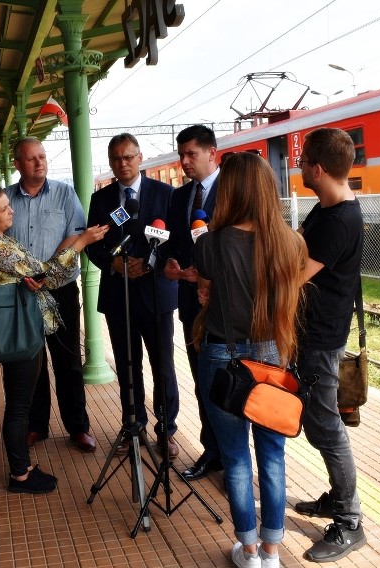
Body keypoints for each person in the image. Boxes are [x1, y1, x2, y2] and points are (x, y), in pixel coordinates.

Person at [192, 152, 307, 568]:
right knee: (272, 453)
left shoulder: (212, 243)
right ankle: (274, 551)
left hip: (223, 356)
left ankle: (250, 550)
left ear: (230, 191)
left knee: (236, 456)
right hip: (272, 357)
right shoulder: (291, 241)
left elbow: (204, 280)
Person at [0, 184, 107, 494]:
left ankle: (22, 467)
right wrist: (81, 242)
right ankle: (20, 475)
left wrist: (29, 279)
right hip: (19, 333)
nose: (11, 211)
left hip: (19, 328)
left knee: (18, 403)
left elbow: (31, 275)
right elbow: (47, 272)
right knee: (18, 407)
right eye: (3, 209)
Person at [292, 127, 366, 562]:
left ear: (318, 169)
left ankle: (349, 521)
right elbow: (297, 240)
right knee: (321, 425)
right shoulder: (326, 209)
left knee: (327, 429)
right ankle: (336, 498)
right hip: (312, 334)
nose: (299, 168)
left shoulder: (340, 222)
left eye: (303, 164)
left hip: (321, 339)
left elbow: (295, 272)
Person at [85, 133, 180, 457]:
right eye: (116, 159)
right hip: (118, 295)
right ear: (110, 162)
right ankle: (132, 425)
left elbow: (176, 241)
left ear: (140, 158)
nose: (122, 164)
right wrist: (113, 262)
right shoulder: (101, 200)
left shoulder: (167, 194)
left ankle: (167, 430)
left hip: (156, 294)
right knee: (127, 365)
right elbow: (92, 244)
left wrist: (151, 264)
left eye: (128, 157)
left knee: (163, 365)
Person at [5, 137, 98, 453]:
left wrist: (44, 272)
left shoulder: (64, 193)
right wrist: (25, 274)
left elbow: (75, 235)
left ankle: (78, 427)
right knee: (32, 361)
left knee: (68, 359)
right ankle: (36, 426)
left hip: (60, 290)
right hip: (22, 293)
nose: (39, 162)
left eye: (42, 157)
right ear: (17, 164)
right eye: (31, 159)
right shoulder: (4, 200)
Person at [163, 124, 223, 481]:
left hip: (223, 307)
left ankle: (234, 460)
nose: (184, 162)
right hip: (190, 304)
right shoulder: (180, 197)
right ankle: (211, 451)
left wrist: (205, 275)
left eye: (191, 154)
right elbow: (172, 241)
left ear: (212, 153)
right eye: (181, 154)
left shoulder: (232, 193)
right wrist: (170, 262)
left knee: (226, 385)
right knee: (202, 380)